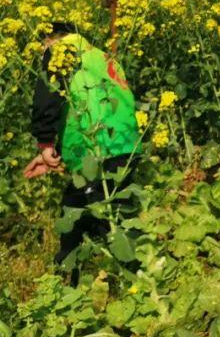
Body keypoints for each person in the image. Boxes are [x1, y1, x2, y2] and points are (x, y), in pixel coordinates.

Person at [25, 21, 141, 281]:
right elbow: (91, 104)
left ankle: (130, 280)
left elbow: (47, 97)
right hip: (126, 145)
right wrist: (57, 149)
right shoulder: (100, 55)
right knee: (79, 207)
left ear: (51, 39)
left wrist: (44, 142)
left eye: (43, 44)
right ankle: (70, 275)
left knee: (106, 219)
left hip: (97, 149)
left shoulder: (61, 53)